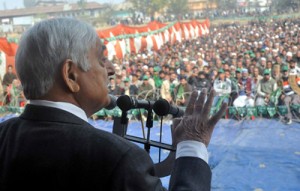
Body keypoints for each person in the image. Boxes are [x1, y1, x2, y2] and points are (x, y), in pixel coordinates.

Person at [0, 18, 227, 191]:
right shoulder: (118, 158)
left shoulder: (3, 135)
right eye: (102, 60)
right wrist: (192, 145)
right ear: (70, 75)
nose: (111, 69)